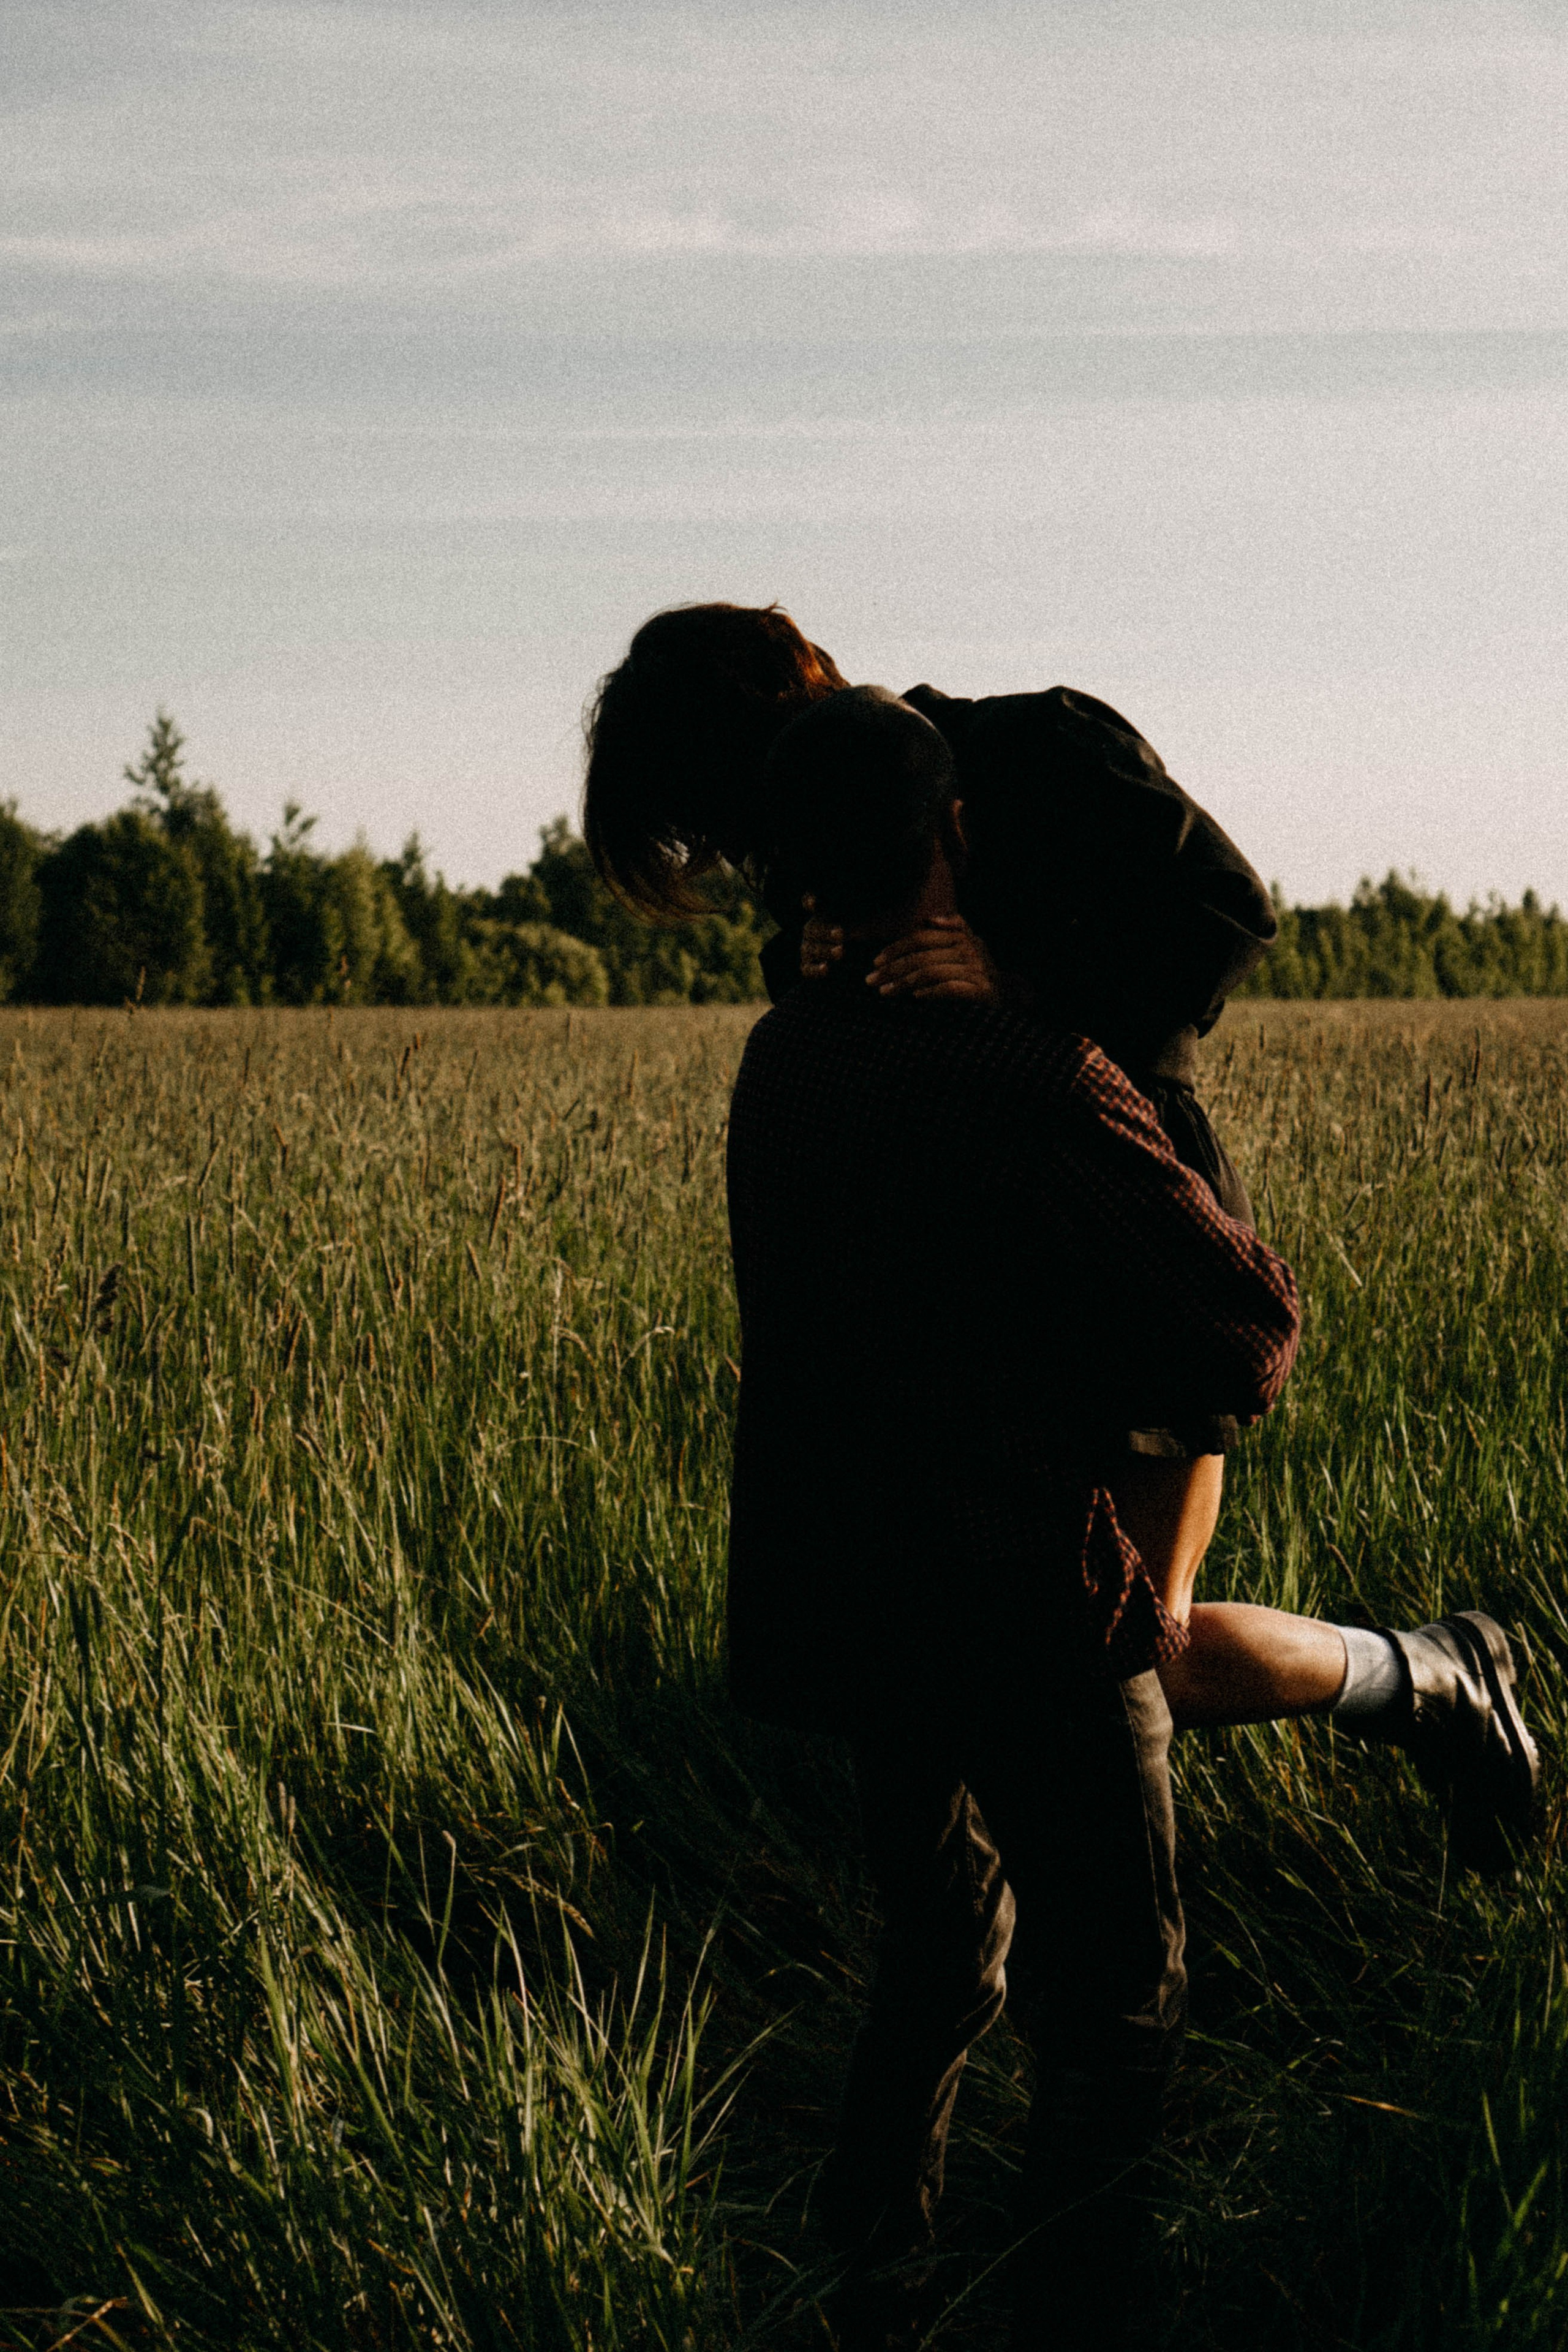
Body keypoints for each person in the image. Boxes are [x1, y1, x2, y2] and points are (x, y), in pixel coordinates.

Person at [726, 700, 1537, 2348]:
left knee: (938, 1949)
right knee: (1117, 2009)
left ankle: (870, 2281)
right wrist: (1047, 1028)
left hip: (862, 1611)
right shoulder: (1022, 1070)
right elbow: (1246, 1334)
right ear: (951, 839)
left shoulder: (782, 1055)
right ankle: (1074, 2305)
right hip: (1033, 1596)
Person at [587, 610, 1540, 1844]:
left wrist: (1013, 978)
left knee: (1143, 1652)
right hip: (973, 1265)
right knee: (1038, 1647)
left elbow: (1222, 915)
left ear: (787, 710)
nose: (746, 851)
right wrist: (809, 964)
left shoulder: (1041, 749)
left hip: (1129, 1219)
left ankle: (1430, 1680)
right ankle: (1042, 1938)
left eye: (728, 819)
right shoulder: (816, 816)